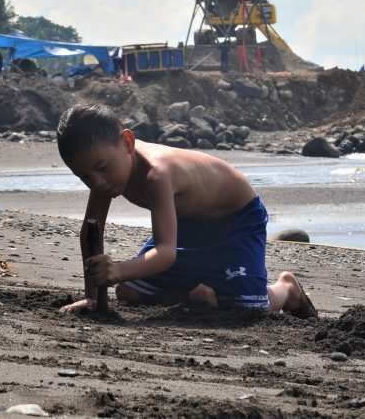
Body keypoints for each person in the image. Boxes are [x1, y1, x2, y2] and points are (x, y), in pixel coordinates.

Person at [56, 103, 317, 317]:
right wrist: (91, 297)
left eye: (101, 168)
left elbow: (166, 252)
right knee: (128, 292)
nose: (97, 182)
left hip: (235, 221)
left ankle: (285, 289)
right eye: (84, 177)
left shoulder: (157, 175)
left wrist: (119, 269)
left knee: (248, 307)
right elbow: (91, 230)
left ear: (127, 142)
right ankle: (196, 292)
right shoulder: (105, 174)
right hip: (188, 224)